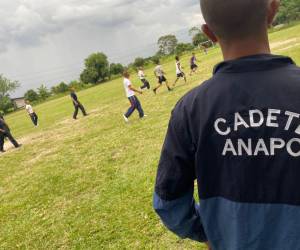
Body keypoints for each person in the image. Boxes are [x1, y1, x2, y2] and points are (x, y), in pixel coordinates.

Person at [153, 0, 300, 250]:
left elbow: (168, 202)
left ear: (208, 33)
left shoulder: (190, 109)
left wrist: (212, 231)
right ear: (273, 10)